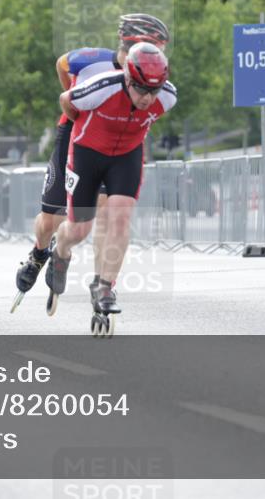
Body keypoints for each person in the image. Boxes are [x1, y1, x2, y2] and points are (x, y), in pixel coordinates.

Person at [11, 14, 170, 312]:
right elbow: (62, 65)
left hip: (113, 141)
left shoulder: (150, 78)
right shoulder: (92, 59)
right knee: (50, 220)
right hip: (75, 132)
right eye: (154, 46)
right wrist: (76, 108)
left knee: (109, 213)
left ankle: (103, 283)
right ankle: (39, 252)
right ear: (133, 44)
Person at [44, 42, 176, 335]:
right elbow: (66, 99)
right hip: (87, 153)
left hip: (126, 156)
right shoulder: (101, 87)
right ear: (128, 77)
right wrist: (83, 125)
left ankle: (105, 288)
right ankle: (60, 249)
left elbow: (149, 113)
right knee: (79, 230)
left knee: (120, 216)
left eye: (153, 91)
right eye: (141, 89)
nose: (147, 97)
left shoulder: (167, 97)